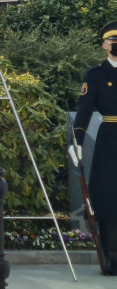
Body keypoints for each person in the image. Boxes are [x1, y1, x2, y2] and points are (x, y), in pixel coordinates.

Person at [72, 20, 117, 275]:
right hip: (109, 139)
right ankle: (112, 258)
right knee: (108, 199)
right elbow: (84, 111)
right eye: (113, 43)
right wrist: (76, 142)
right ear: (104, 45)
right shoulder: (95, 75)